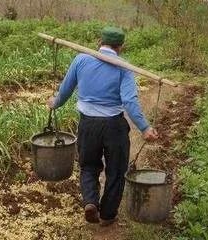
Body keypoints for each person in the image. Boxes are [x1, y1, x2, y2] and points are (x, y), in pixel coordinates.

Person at [47, 26, 158, 226]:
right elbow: (130, 102)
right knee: (116, 171)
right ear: (121, 47)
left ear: (100, 42)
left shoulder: (81, 60)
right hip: (114, 126)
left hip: (87, 125)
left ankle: (90, 202)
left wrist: (55, 103)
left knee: (88, 166)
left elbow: (65, 90)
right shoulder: (124, 67)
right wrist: (145, 127)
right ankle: (107, 215)